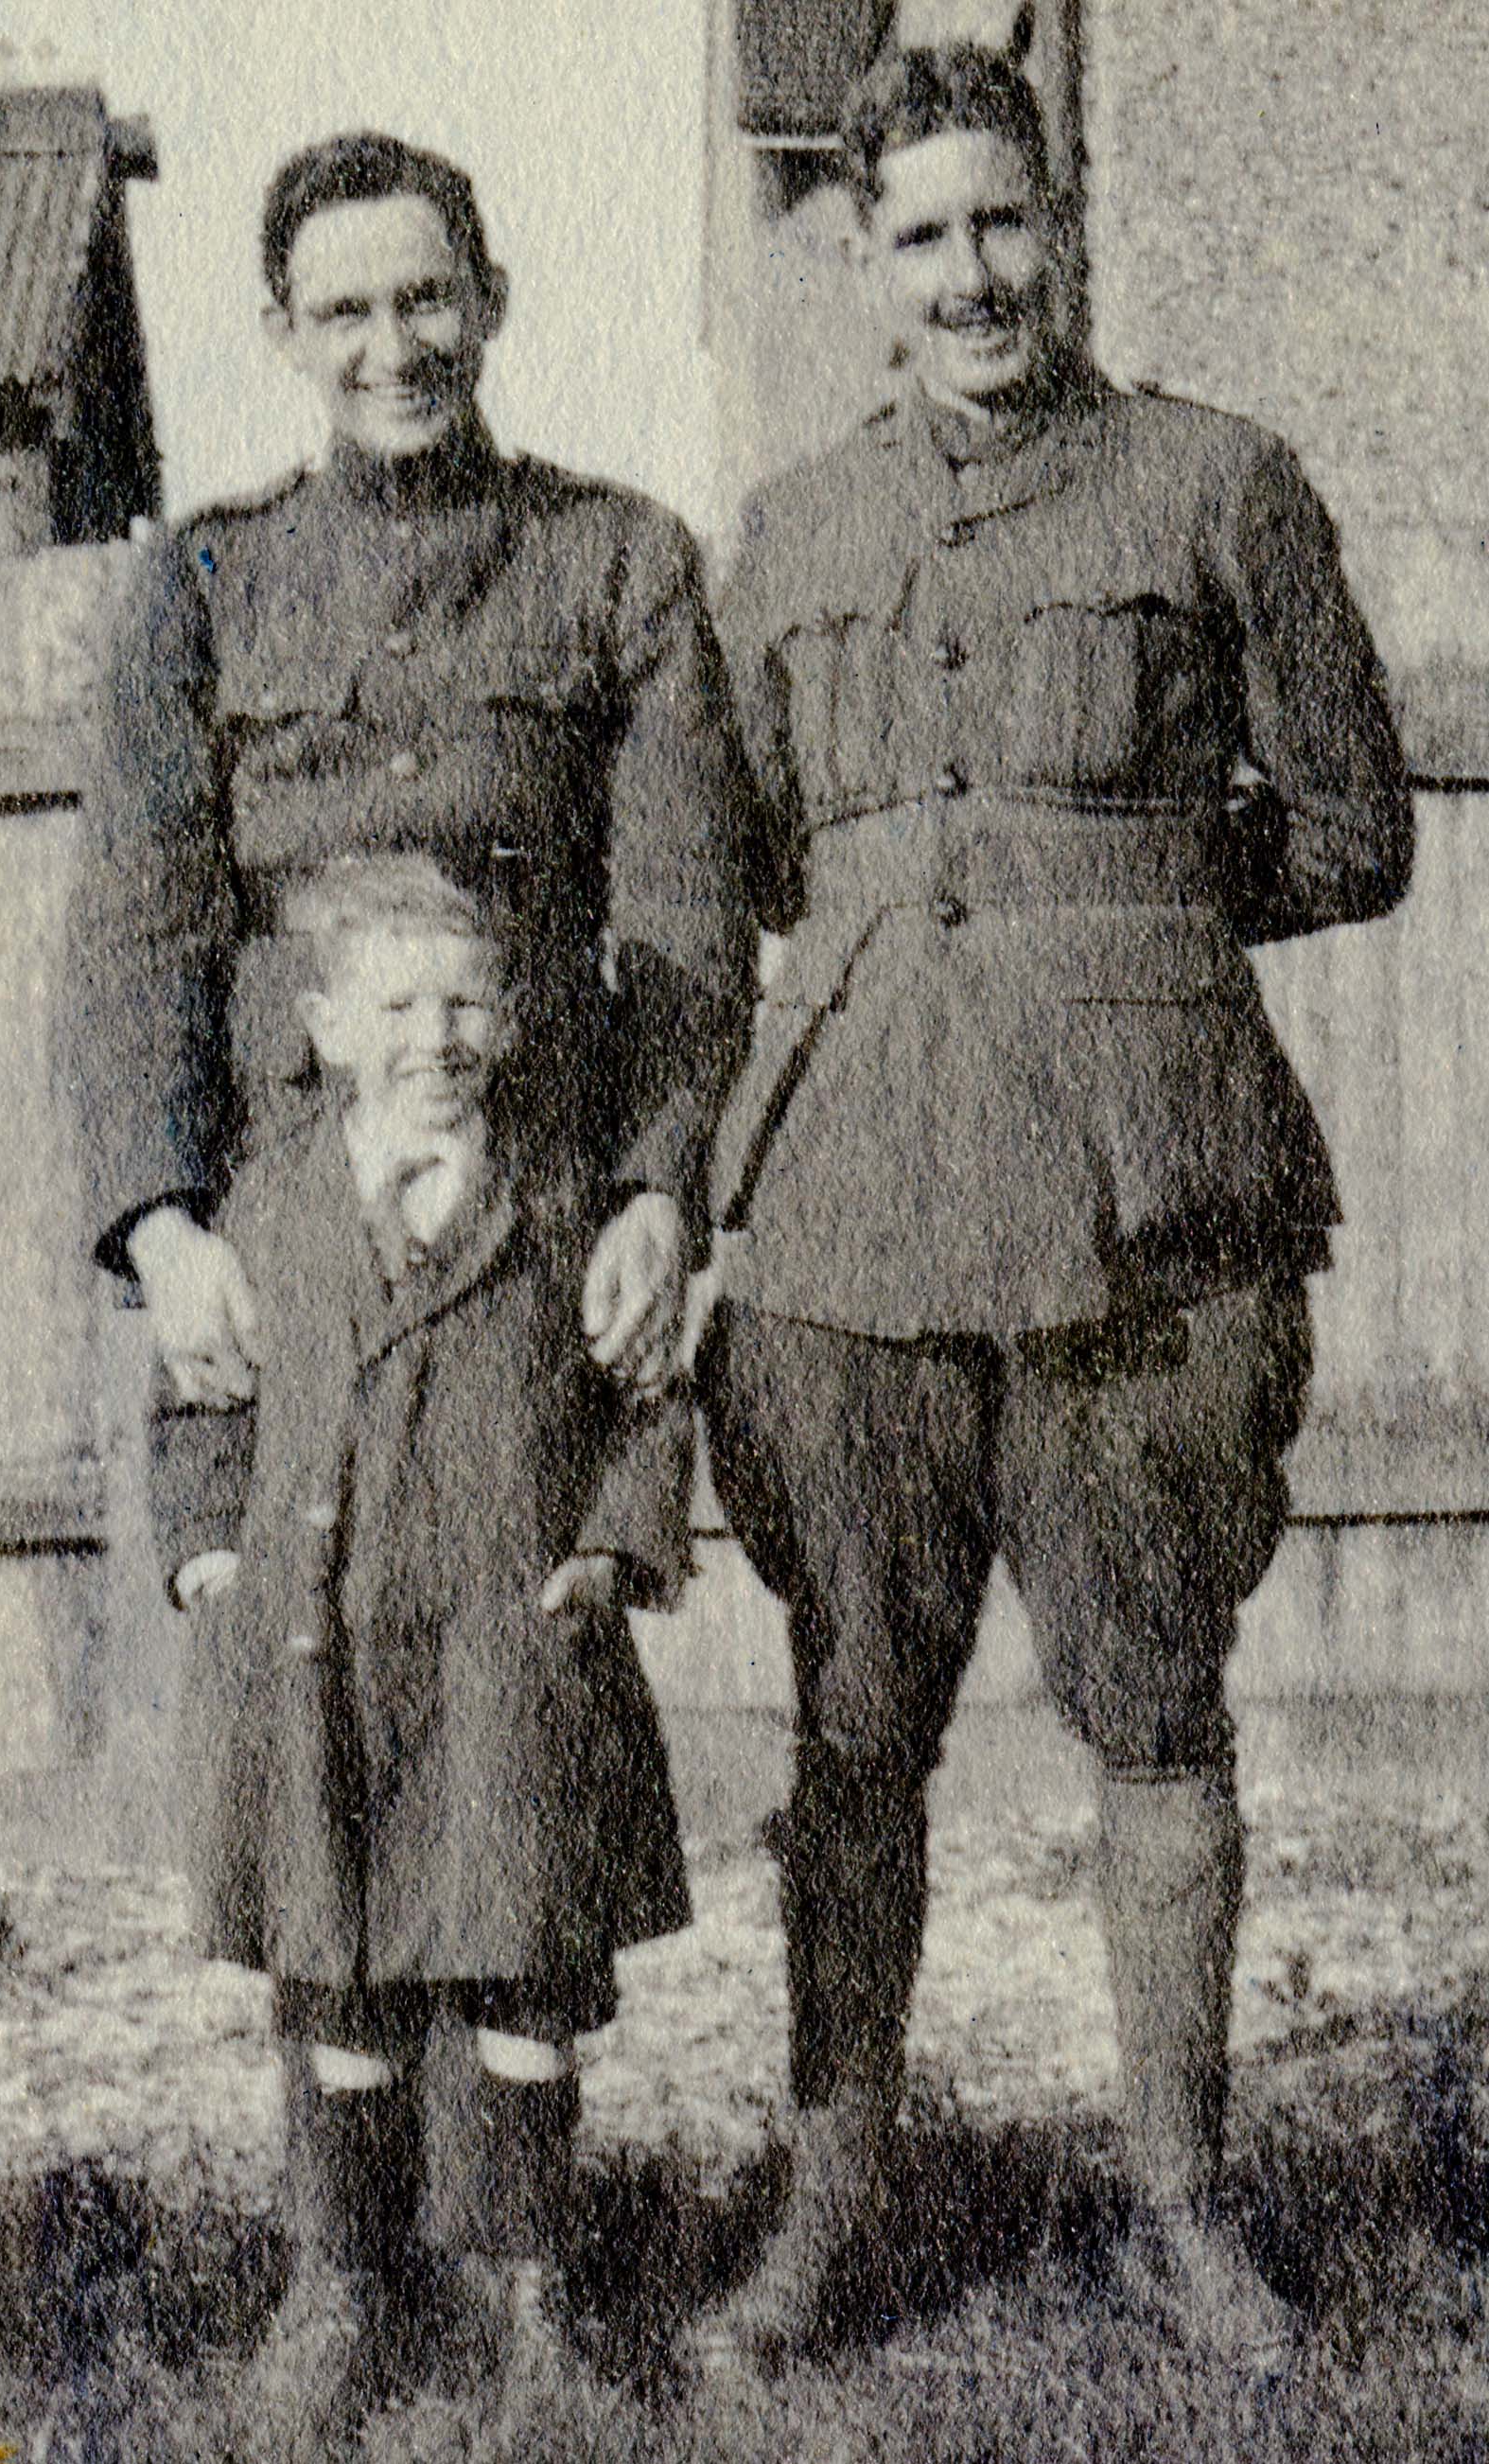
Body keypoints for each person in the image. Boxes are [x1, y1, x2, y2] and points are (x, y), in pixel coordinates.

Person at [699, 38, 1414, 2372]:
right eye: (922, 234)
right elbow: (723, 882)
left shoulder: (1222, 485)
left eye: (1005, 221)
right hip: (847, 1222)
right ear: (865, 258)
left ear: (1064, 218)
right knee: (855, 1728)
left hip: (1146, 1215)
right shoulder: (788, 533)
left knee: (1156, 1711)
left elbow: (1352, 830)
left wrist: (1115, 932)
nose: (973, 272)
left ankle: (1190, 2206)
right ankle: (827, 2209)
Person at [68, 127, 753, 1428]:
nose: (393, 349)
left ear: (489, 297)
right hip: (270, 1206)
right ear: (282, 332)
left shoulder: (616, 562)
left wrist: (657, 1192)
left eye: (425, 298)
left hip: (533, 1198)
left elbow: (684, 920)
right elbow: (136, 938)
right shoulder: (203, 583)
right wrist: (164, 1231)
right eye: (343, 313)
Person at [152, 851, 694, 2454]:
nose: (433, 1036)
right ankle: (341, 2284)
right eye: (393, 1002)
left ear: (517, 1021)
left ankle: (524, 2290)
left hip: (506, 1659)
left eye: (466, 1000)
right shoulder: (262, 1203)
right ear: (322, 1024)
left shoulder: (569, 1202)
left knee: (524, 1970)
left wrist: (614, 1541)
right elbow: (201, 1395)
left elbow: (644, 1401)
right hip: (319, 1664)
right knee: (341, 1982)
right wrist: (207, 1555)